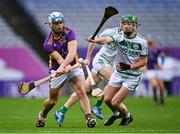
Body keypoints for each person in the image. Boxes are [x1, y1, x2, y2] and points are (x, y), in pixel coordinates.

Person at [35, 11, 96, 128]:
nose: (59, 26)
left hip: (73, 65)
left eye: (61, 22)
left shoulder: (70, 33)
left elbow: (72, 52)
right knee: (52, 101)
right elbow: (58, 59)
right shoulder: (47, 43)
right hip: (56, 70)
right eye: (56, 23)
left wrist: (66, 66)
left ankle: (89, 119)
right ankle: (42, 115)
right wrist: (62, 67)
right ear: (50, 25)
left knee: (81, 91)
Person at [54, 27, 125, 126]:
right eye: (124, 23)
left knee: (83, 90)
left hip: (109, 65)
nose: (126, 26)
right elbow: (93, 40)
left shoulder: (129, 39)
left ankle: (61, 111)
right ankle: (98, 106)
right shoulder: (110, 32)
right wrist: (88, 58)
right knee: (114, 82)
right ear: (120, 24)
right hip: (101, 62)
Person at [88, 15, 148, 126]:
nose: (126, 26)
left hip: (132, 76)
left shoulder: (142, 42)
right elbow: (106, 39)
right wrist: (96, 40)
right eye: (124, 24)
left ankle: (126, 116)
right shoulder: (119, 36)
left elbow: (143, 62)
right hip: (118, 73)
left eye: (129, 24)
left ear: (135, 26)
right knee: (107, 99)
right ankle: (125, 116)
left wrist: (129, 66)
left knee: (115, 101)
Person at [145, 35, 165, 104]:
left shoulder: (157, 48)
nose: (149, 40)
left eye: (150, 39)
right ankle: (155, 98)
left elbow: (162, 56)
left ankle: (162, 100)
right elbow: (142, 59)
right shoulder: (145, 49)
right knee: (154, 85)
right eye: (148, 39)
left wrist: (161, 65)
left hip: (158, 69)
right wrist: (144, 67)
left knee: (161, 87)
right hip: (150, 69)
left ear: (153, 40)